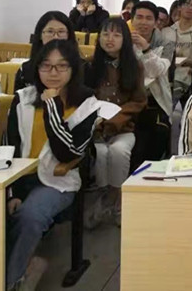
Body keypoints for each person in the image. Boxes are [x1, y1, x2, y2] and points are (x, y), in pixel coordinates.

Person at [5, 40, 104, 290]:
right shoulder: (24, 99)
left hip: (57, 180)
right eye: (46, 66)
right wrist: (13, 193)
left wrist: (52, 106)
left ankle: (9, 282)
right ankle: (17, 268)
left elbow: (67, 153)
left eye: (62, 66)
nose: (53, 73)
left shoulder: (87, 103)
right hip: (18, 178)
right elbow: (11, 147)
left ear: (73, 69)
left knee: (29, 216)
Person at [84, 18, 146, 228]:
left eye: (116, 35)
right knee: (101, 153)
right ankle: (108, 199)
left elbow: (138, 101)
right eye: (105, 34)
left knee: (119, 151)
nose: (110, 39)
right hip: (95, 129)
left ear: (125, 40)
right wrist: (97, 123)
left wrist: (114, 120)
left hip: (123, 128)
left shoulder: (134, 66)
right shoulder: (90, 65)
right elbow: (82, 100)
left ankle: (114, 200)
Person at [128, 1, 175, 171]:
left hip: (154, 100)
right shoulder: (124, 42)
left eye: (148, 18)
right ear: (132, 20)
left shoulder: (166, 44)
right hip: (128, 99)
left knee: (157, 134)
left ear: (156, 22)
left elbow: (157, 71)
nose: (143, 22)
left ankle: (147, 174)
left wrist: (146, 48)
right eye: (139, 17)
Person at [16, 11, 79, 90]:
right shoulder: (26, 69)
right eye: (50, 31)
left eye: (61, 31)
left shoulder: (83, 67)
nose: (56, 37)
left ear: (69, 35)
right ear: (40, 35)